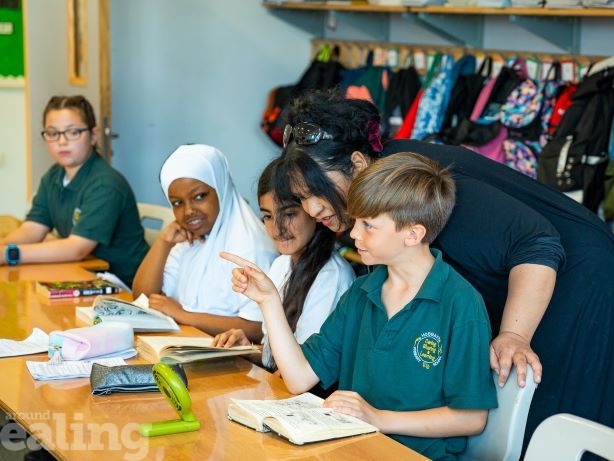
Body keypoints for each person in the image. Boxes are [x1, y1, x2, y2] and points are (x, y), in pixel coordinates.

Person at [276, 89, 614, 451]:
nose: (311, 209)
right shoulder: (383, 201)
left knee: (552, 426)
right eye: (301, 198)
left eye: (316, 191)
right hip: (538, 272)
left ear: (357, 163)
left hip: (579, 275)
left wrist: (514, 335)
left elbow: (537, 244)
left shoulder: (417, 185)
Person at [221, 152, 497, 460]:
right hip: (351, 450)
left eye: (368, 225)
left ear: (413, 234)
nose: (353, 233)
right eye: (356, 221)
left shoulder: (460, 304)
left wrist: (379, 418)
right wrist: (269, 300)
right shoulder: (361, 292)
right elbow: (299, 378)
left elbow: (471, 418)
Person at [212, 157, 356, 371]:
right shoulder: (281, 264)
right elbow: (279, 359)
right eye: (268, 216)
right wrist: (248, 349)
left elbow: (302, 369)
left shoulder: (331, 276)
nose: (277, 229)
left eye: (289, 214)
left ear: (312, 211)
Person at [131, 144, 277, 339]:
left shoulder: (252, 247)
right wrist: (163, 242)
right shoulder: (189, 239)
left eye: (200, 196)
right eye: (177, 203)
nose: (189, 211)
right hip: (186, 342)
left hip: (236, 359)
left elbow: (258, 327)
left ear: (221, 189)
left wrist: (183, 315)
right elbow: (144, 298)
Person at [0, 95, 148, 287]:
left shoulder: (105, 184)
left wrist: (9, 254)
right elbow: (32, 229)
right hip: (83, 278)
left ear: (93, 136)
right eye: (52, 133)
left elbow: (76, 249)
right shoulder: (54, 176)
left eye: (73, 132)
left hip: (124, 286)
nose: (62, 141)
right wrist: (3, 246)